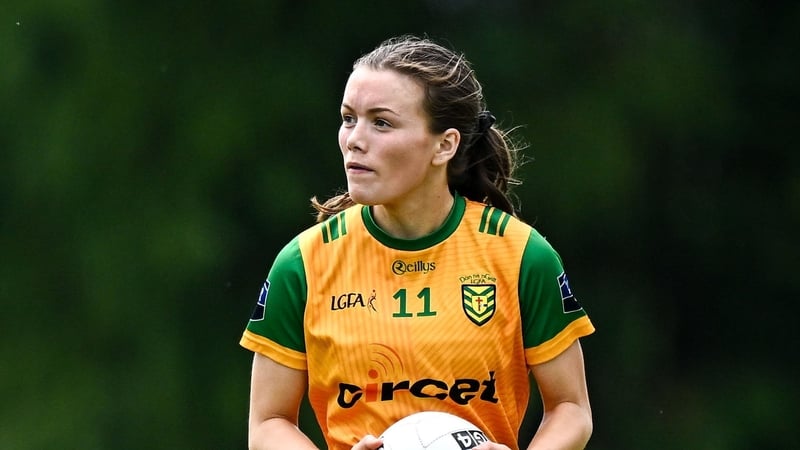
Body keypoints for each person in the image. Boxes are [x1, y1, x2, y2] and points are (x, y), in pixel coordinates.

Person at [239, 35, 595, 450]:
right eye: (348, 117)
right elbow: (268, 422)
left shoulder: (521, 256)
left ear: (444, 145)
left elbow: (570, 407)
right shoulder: (303, 263)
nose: (354, 138)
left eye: (382, 122)